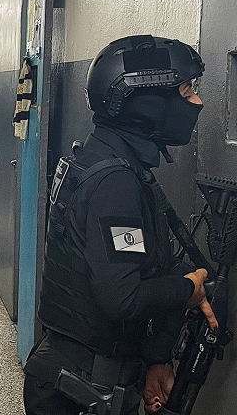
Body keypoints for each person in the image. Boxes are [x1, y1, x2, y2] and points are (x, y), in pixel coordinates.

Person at [23, 35, 218, 415]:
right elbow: (123, 298)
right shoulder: (116, 183)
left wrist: (157, 358)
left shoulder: (109, 159)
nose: (197, 101)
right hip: (79, 390)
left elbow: (141, 267)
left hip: (84, 373)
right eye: (186, 89)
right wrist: (186, 290)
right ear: (146, 103)